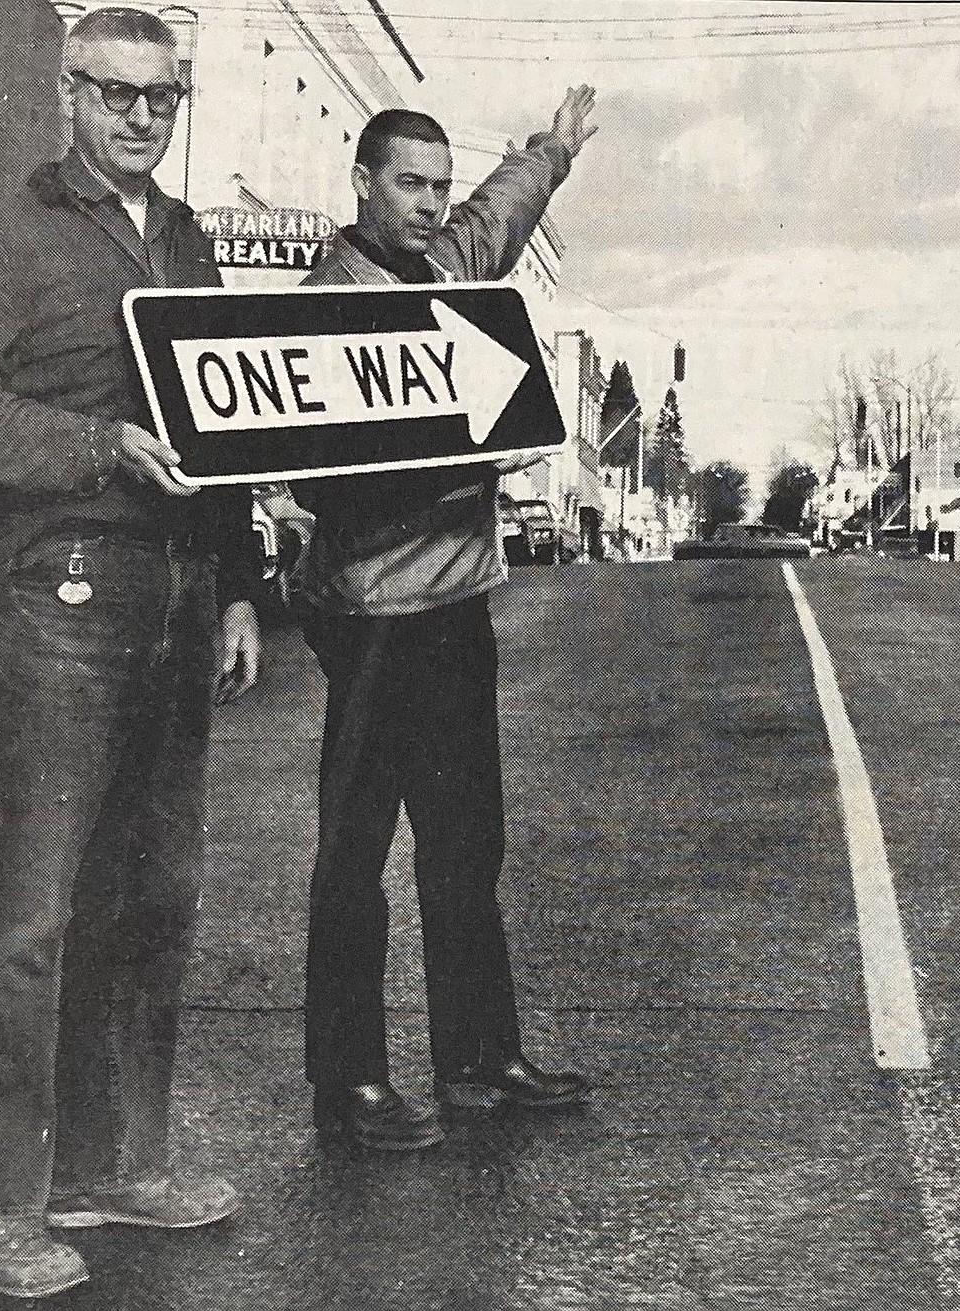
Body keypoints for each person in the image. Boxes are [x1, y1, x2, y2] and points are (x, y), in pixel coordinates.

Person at [0, 8, 261, 1298]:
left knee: (151, 899)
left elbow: (225, 413)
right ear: (69, 94)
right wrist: (97, 448)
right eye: (114, 95)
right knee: (25, 916)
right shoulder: (13, 241)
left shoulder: (183, 240)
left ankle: (115, 1165)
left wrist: (231, 588)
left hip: (172, 603)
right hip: (56, 597)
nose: (138, 118)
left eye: (160, 99)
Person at [296, 89, 597, 1151]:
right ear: (361, 183)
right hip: (372, 613)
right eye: (406, 185)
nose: (428, 206)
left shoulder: (443, 269)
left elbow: (494, 219)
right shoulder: (328, 299)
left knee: (469, 846)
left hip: (458, 606)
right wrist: (483, 454)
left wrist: (550, 152)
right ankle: (352, 1088)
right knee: (356, 856)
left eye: (436, 185)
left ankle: (479, 1061)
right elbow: (344, 477)